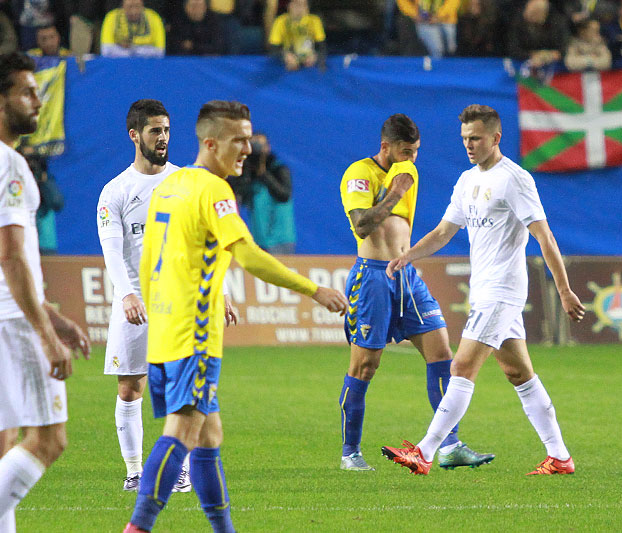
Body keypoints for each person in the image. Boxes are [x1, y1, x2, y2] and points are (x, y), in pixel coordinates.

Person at [122, 100, 347, 533]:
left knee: (210, 435)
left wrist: (161, 312)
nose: (247, 148)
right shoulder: (214, 190)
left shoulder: (172, 184)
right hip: (195, 336)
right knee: (183, 430)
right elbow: (249, 256)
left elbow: (152, 257)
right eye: (237, 140)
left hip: (166, 331)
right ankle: (138, 527)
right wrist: (314, 289)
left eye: (249, 137)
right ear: (210, 142)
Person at [381, 105, 584, 476]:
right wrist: (406, 256)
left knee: (461, 366)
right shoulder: (466, 180)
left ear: (496, 138)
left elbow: (544, 236)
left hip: (502, 292)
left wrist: (565, 290)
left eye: (475, 138)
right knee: (519, 373)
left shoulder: (515, 180)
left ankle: (425, 452)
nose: (469, 145)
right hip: (485, 291)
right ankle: (560, 457)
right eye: (464, 139)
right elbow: (444, 232)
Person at [338, 113, 494, 472]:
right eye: (405, 151)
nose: (412, 158)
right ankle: (350, 453)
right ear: (385, 147)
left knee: (443, 354)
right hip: (372, 276)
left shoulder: (405, 171)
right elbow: (362, 226)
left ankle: (450, 444)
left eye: (416, 151)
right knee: (365, 366)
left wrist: (402, 179)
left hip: (405, 275)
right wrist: (396, 190)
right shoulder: (360, 174)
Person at [0, 51, 90, 533]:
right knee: (49, 440)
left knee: (4, 444)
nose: (38, 100)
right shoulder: (10, 165)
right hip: (12, 322)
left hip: (10, 314)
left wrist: (54, 318)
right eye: (27, 92)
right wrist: (45, 335)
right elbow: (11, 257)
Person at [96, 99, 192, 493]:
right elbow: (111, 250)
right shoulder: (115, 191)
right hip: (133, 304)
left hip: (178, 302)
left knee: (180, 387)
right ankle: (135, 471)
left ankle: (179, 470)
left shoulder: (185, 182)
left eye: (167, 130)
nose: (164, 138)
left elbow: (201, 242)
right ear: (134, 135)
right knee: (129, 387)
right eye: (155, 130)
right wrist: (128, 294)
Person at [240, 132, 296, 254]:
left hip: (281, 239)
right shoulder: (248, 173)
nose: (256, 149)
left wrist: (264, 174)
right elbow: (240, 199)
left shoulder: (278, 169)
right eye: (252, 145)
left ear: (268, 147)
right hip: (259, 239)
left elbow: (284, 195)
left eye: (259, 145)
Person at [507, 0, 570, 69]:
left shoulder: (558, 23)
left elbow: (563, 49)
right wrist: (533, 55)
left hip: (553, 65)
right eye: (527, 11)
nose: (527, 15)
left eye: (533, 14)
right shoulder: (519, 20)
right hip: (525, 61)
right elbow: (513, 49)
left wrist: (547, 56)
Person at [268, 0, 326, 71]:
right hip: (288, 60)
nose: (299, 8)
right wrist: (285, 56)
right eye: (296, 5)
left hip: (309, 62)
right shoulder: (280, 21)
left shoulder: (315, 20)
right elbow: (273, 48)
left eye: (303, 5)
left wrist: (315, 56)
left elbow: (322, 47)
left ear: (307, 8)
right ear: (288, 6)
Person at [100, 0, 167, 58]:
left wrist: (134, 49)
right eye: (129, 7)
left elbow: (160, 52)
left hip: (147, 65)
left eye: (137, 6)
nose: (133, 11)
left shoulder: (154, 18)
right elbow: (106, 50)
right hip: (119, 64)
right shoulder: (111, 17)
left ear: (142, 5)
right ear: (123, 6)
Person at [396, 0, 460, 58]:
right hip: (425, 21)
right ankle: (436, 68)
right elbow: (403, 2)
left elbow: (453, 2)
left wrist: (439, 16)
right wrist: (414, 14)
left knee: (451, 49)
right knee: (437, 50)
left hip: (446, 20)